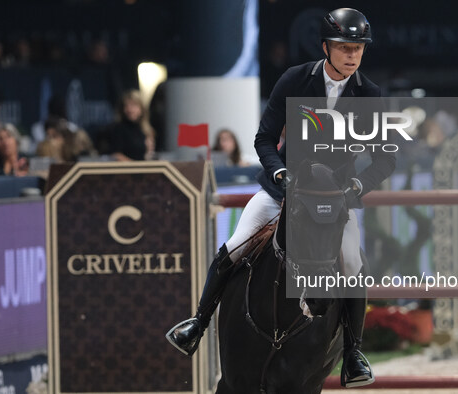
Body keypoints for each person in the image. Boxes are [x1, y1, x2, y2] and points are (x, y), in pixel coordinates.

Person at [167, 8, 396, 388]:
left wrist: (357, 186)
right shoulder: (295, 80)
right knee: (235, 246)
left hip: (333, 202)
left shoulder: (368, 95)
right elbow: (264, 138)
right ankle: (198, 322)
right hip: (282, 192)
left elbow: (385, 158)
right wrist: (278, 171)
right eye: (345, 48)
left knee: (353, 262)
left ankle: (353, 353)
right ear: (326, 48)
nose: (353, 55)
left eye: (358, 48)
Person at [107, 89, 155, 161]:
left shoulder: (145, 129)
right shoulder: (119, 128)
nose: (129, 110)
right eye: (126, 106)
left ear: (141, 108)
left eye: (133, 105)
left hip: (143, 169)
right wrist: (134, 165)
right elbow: (116, 154)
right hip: (127, 170)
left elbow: (147, 155)